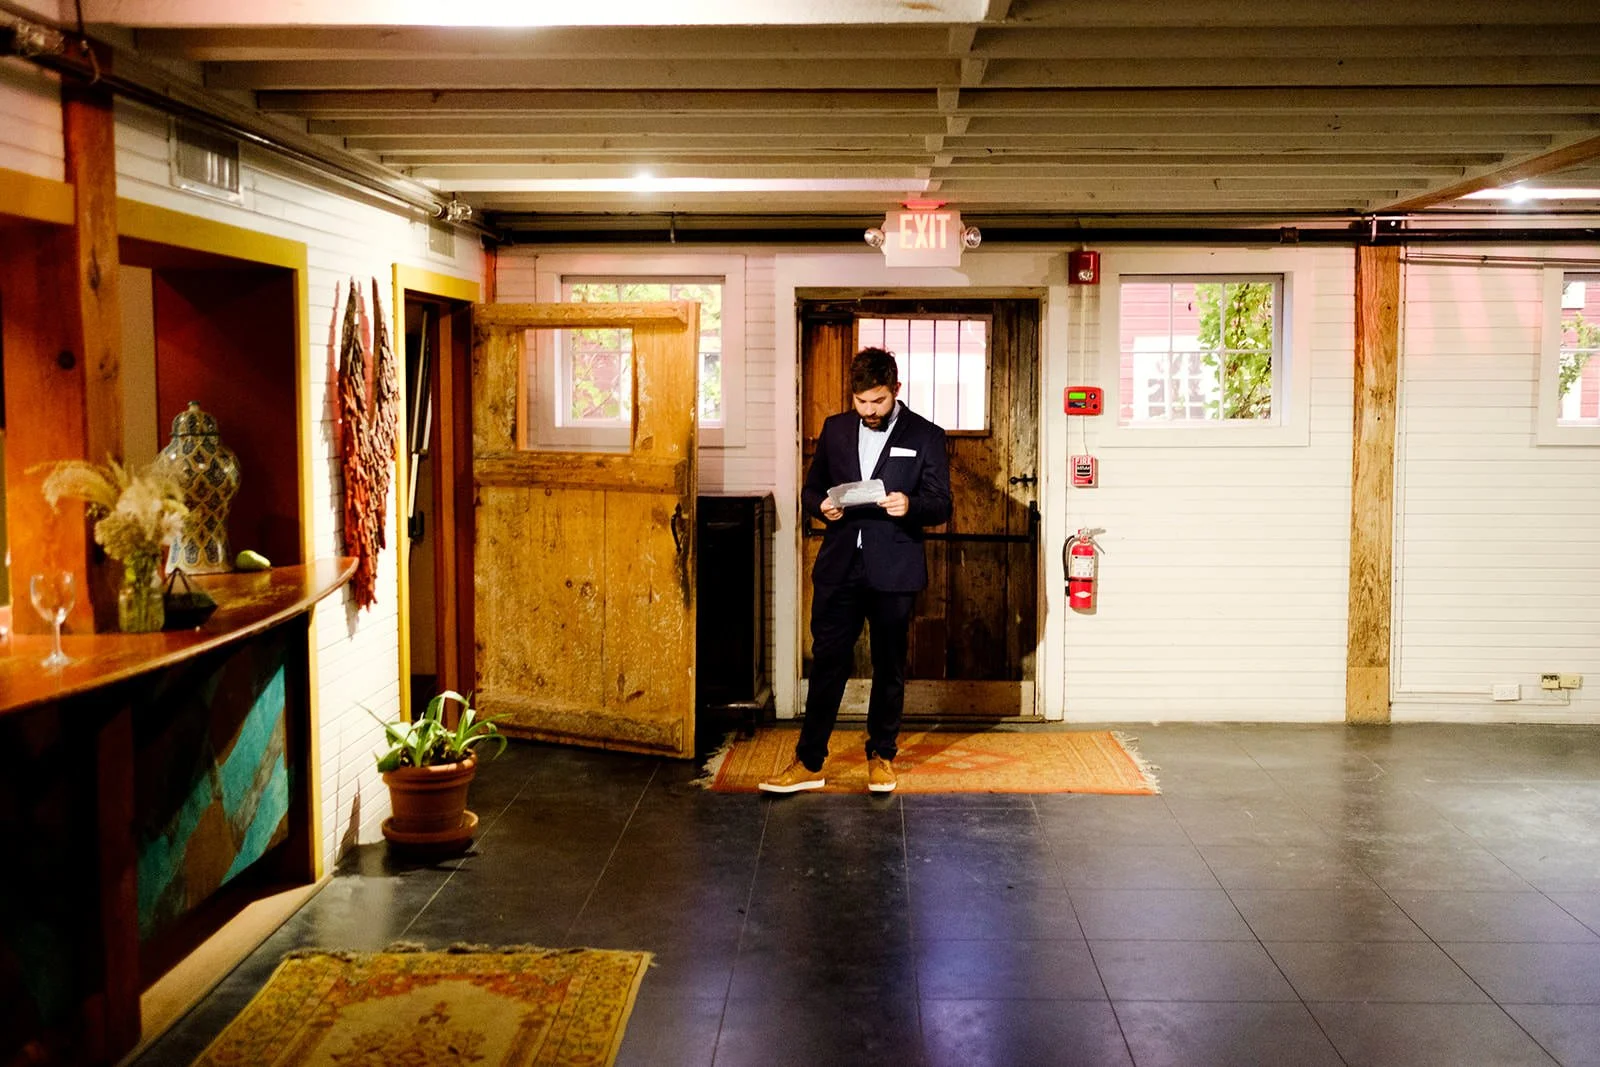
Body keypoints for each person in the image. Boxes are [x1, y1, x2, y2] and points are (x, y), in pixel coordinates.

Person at [760, 347, 952, 794]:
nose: (868, 411)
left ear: (896, 390)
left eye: (878, 402)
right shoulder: (835, 429)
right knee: (828, 661)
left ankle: (881, 755)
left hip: (894, 569)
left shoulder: (927, 435)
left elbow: (941, 504)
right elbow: (810, 488)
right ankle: (809, 763)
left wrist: (911, 505)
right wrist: (820, 506)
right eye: (861, 402)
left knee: (889, 665)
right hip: (840, 566)